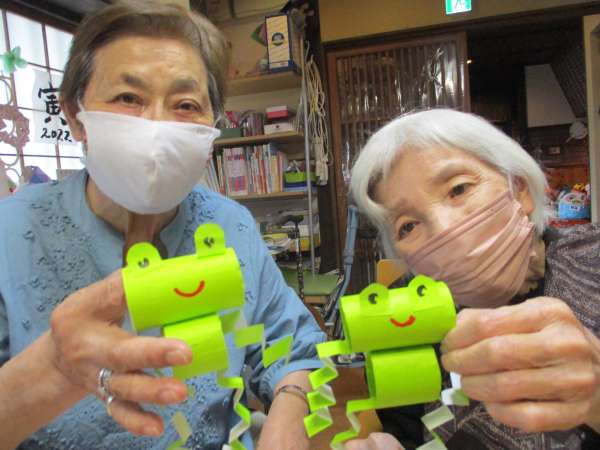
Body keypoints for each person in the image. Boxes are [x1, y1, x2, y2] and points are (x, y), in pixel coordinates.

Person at [0, 2, 324, 449]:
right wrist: (50, 369)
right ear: (76, 115)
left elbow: (293, 347)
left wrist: (289, 408)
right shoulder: (11, 232)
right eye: (128, 98)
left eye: (185, 104)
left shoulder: (231, 227)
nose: (157, 126)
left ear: (211, 129)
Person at [346, 108, 600, 450]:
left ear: (519, 189)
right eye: (407, 225)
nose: (444, 229)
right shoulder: (398, 324)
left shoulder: (592, 260)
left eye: (458, 189)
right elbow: (407, 434)